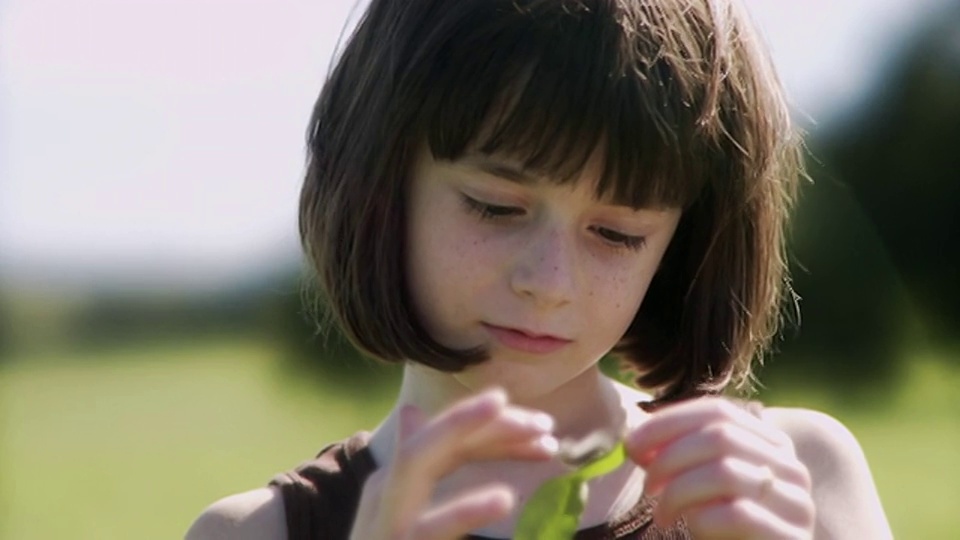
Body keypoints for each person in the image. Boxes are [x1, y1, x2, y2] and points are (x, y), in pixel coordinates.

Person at [186, 0, 892, 538]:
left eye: (615, 233)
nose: (549, 283)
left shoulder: (797, 478)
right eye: (495, 208)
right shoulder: (257, 531)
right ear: (379, 185)